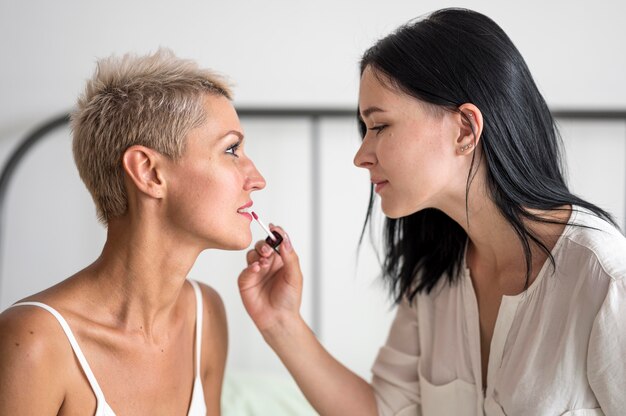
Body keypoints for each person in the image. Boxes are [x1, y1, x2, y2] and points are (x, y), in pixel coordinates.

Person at [238, 8, 626, 416]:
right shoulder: (434, 276)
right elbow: (384, 410)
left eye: (380, 126)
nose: (360, 156)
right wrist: (280, 322)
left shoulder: (604, 280)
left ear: (464, 130)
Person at [0, 49, 266, 415]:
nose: (258, 180)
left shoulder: (205, 316)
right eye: (231, 149)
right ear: (148, 172)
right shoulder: (33, 342)